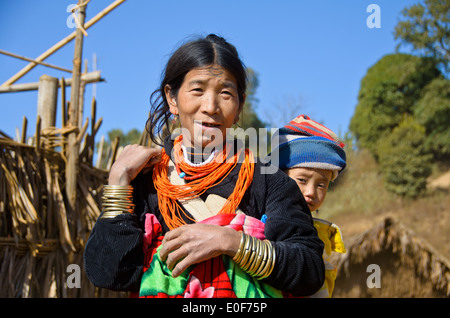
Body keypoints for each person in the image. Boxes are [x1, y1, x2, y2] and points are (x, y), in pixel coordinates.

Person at [84, 34, 325, 298]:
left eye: (225, 93)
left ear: (239, 104)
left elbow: (310, 271)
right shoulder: (146, 181)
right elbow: (110, 274)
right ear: (172, 99)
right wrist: (118, 183)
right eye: (197, 90)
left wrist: (231, 242)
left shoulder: (267, 180)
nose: (210, 107)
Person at [269, 114, 347, 298]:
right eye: (302, 180)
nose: (311, 192)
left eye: (322, 185)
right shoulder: (257, 220)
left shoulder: (322, 235)